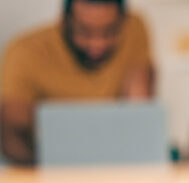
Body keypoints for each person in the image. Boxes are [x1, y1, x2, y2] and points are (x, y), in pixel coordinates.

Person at [0, 0, 154, 165]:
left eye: (110, 32)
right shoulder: (25, 53)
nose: (97, 44)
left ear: (123, 22)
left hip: (116, 168)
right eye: (84, 32)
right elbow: (12, 137)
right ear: (64, 21)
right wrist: (58, 169)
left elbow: (138, 117)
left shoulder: (134, 29)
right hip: (45, 169)